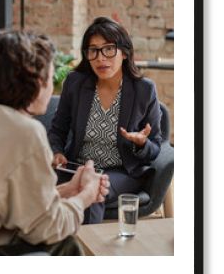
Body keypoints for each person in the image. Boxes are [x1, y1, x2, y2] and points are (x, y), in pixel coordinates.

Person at [0, 30, 109, 255]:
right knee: (66, 244)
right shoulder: (23, 132)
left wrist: (68, 190)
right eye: (51, 78)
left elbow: (15, 205)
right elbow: (48, 227)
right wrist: (87, 194)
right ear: (37, 81)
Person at [49, 17, 162, 224]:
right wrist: (57, 152)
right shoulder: (75, 83)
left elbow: (155, 147)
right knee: (35, 185)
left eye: (108, 49)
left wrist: (141, 143)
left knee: (94, 189)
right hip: (77, 167)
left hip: (121, 172)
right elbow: (58, 130)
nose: (101, 58)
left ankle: (85, 254)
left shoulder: (144, 89)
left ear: (124, 52)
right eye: (93, 50)